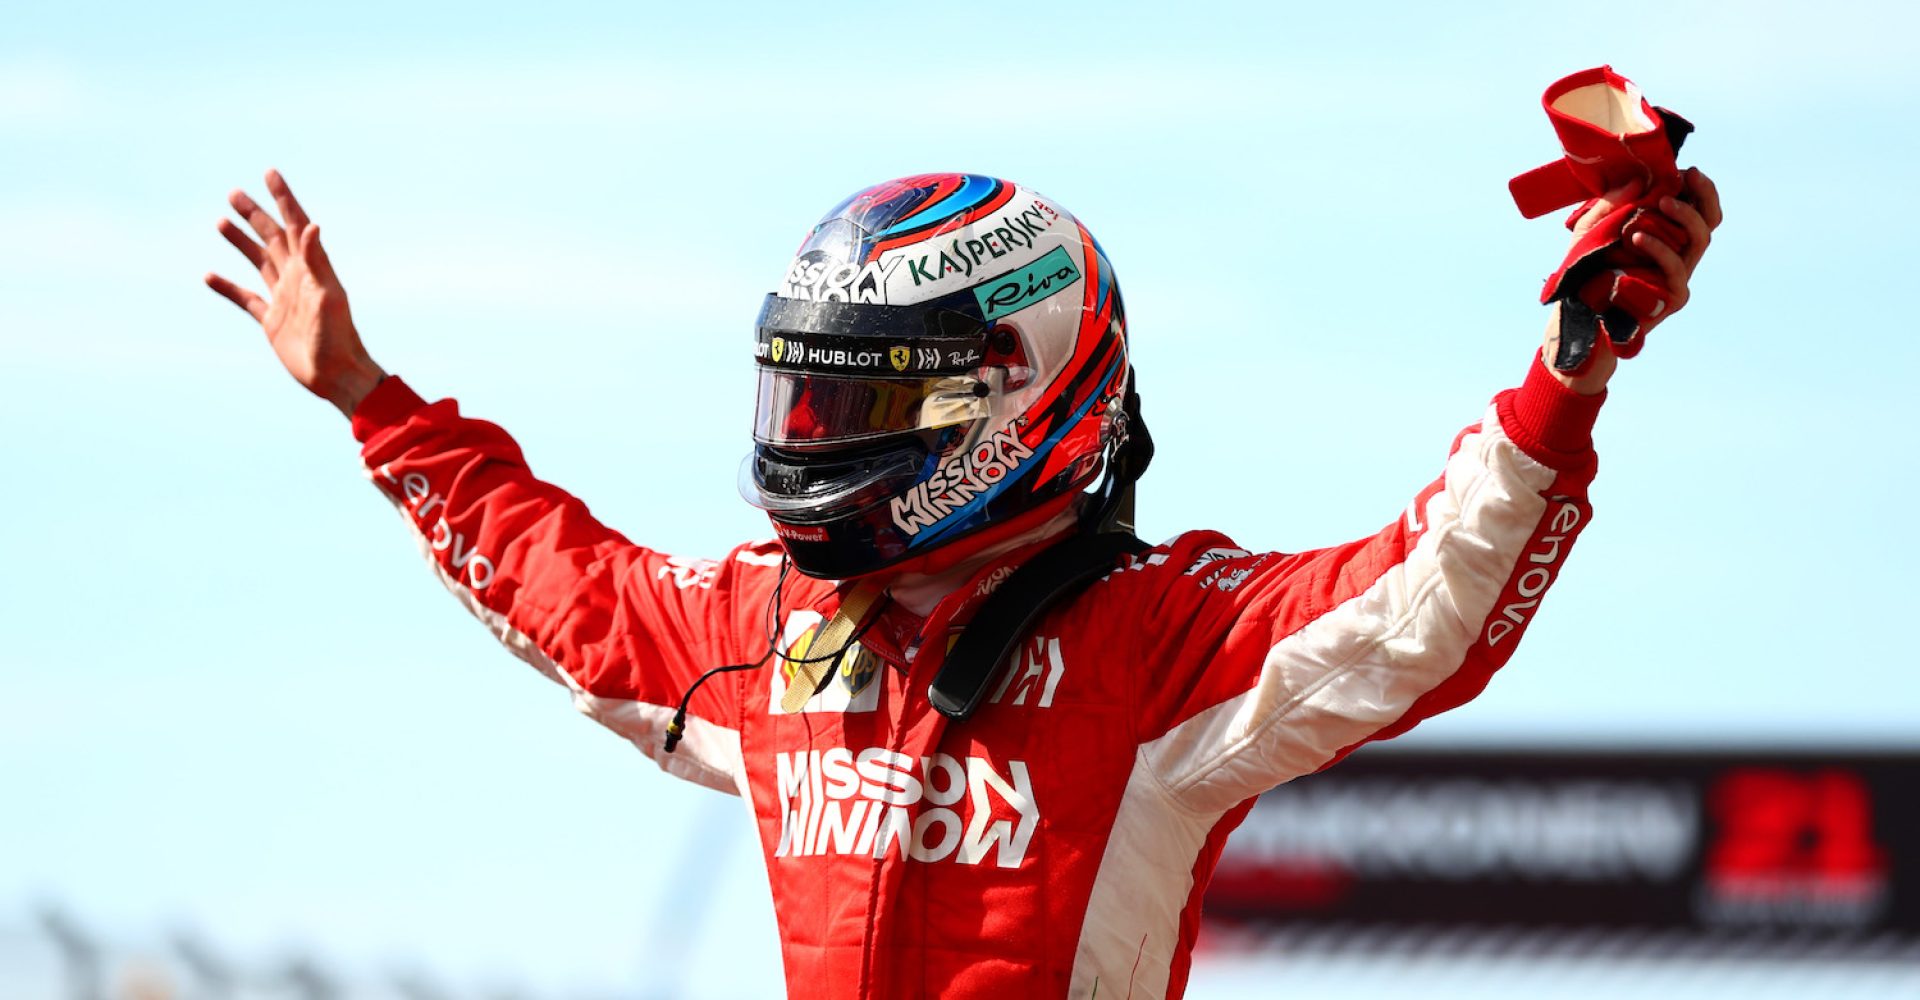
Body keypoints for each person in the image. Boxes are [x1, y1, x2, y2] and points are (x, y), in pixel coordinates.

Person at [206, 164, 1720, 998]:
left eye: (863, 404)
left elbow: (1420, 608)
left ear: (1017, 392)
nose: (818, 441)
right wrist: (366, 396)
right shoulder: (778, 630)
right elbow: (566, 587)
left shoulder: (1159, 641)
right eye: (810, 396)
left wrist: (1566, 371)